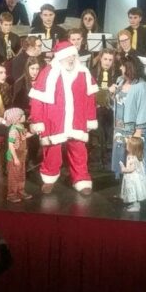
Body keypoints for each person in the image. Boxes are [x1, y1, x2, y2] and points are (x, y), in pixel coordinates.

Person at [29, 40, 98, 195]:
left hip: (77, 119)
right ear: (60, 57)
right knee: (52, 152)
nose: (72, 59)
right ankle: (49, 178)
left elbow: (90, 98)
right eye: (68, 57)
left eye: (73, 56)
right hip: (54, 120)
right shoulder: (48, 72)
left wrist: (90, 118)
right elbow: (37, 99)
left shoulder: (83, 72)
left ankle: (81, 179)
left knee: (79, 149)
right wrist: (37, 120)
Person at [112, 58, 146, 187]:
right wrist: (111, 94)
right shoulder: (120, 81)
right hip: (120, 126)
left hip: (134, 128)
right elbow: (115, 105)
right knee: (122, 155)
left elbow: (143, 109)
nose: (120, 69)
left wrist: (138, 131)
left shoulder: (141, 86)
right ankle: (126, 186)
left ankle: (143, 187)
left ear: (129, 68)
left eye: (123, 66)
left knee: (137, 158)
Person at [4, 108, 33, 203]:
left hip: (21, 155)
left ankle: (20, 191)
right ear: (17, 119)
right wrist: (15, 158)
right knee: (13, 176)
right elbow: (11, 145)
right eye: (22, 115)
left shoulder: (20, 126)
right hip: (14, 157)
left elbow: (24, 136)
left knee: (21, 174)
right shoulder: (13, 131)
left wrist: (34, 132)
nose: (24, 116)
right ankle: (11, 194)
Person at [118, 135, 146, 212]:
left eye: (128, 145)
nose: (126, 146)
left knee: (133, 190)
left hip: (133, 178)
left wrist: (124, 169)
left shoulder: (133, 157)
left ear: (133, 148)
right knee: (132, 191)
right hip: (131, 177)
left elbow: (131, 169)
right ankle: (134, 204)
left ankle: (136, 206)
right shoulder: (133, 155)